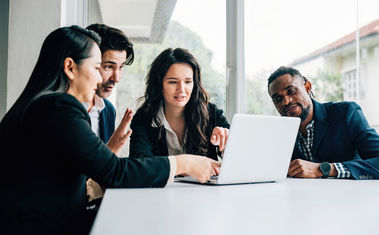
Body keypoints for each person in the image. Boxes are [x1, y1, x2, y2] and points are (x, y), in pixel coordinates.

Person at [0, 26, 220, 235]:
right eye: (98, 68)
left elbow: (65, 181)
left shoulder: (36, 104)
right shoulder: (59, 107)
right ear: (70, 67)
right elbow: (115, 172)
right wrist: (183, 163)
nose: (99, 79)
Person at [267, 66, 379, 180]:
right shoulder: (278, 133)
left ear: (307, 87)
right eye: (278, 99)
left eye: (291, 91)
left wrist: (323, 169)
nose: (286, 101)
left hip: (350, 201)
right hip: (302, 203)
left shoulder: (346, 113)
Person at [129, 48, 229, 164]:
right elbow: (139, 165)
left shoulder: (212, 113)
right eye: (173, 82)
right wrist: (183, 164)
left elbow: (240, 156)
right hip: (162, 183)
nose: (181, 90)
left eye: (188, 82)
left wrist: (226, 146)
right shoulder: (143, 119)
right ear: (159, 84)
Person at [84, 24, 134, 203]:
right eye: (108, 67)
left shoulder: (108, 111)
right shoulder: (64, 111)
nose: (116, 78)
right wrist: (111, 148)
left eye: (120, 67)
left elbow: (104, 173)